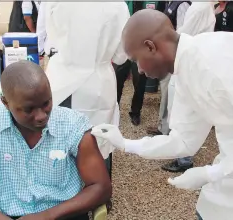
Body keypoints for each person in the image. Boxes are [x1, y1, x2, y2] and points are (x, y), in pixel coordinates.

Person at [91, 9, 233, 220]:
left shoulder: (215, 64)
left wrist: (209, 173)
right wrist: (125, 143)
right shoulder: (185, 69)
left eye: (137, 59)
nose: (138, 70)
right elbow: (183, 141)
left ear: (150, 46)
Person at [0, 61, 112, 220]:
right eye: (29, 109)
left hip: (63, 214)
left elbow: (101, 187)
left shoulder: (73, 125)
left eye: (46, 103)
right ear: (6, 103)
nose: (41, 116)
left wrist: (48, 215)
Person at [45, 2, 130, 181]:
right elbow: (121, 56)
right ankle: (99, 195)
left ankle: (62, 193)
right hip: (98, 82)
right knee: (100, 139)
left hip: (62, 80)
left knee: (61, 140)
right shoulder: (117, 5)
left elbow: (51, 40)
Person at [162, 1, 216, 172]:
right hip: (195, 61)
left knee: (183, 109)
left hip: (188, 61)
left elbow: (182, 35)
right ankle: (182, 152)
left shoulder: (199, 6)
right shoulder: (205, 6)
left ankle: (184, 158)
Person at [147, 1, 191, 135]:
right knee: (165, 92)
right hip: (167, 54)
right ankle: (163, 126)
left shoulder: (183, 4)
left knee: (169, 93)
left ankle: (167, 130)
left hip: (173, 56)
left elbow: (182, 33)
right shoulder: (171, 3)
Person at [115, 1, 159, 126]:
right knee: (117, 81)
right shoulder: (122, 3)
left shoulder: (154, 2)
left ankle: (135, 112)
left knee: (140, 83)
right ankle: (115, 111)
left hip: (142, 49)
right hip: (123, 49)